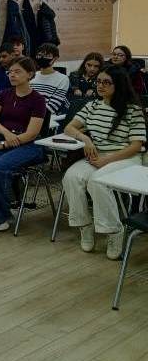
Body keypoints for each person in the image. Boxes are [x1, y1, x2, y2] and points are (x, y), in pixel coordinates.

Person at [61, 64, 147, 259]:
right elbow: (69, 128)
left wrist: (107, 160)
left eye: (106, 82)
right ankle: (85, 226)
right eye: (99, 82)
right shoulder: (92, 105)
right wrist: (85, 138)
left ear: (118, 85)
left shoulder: (132, 109)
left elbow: (135, 146)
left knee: (97, 181)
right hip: (98, 156)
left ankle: (114, 230)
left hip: (126, 158)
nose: (100, 86)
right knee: (71, 177)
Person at [0, 57, 47, 235]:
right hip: (6, 142)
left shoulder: (38, 99)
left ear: (30, 74)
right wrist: (6, 135)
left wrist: (3, 145)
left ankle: (1, 215)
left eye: (17, 71)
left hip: (30, 146)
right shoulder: (5, 94)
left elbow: (32, 133)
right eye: (10, 72)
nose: (12, 75)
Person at [30, 43, 70, 114]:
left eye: (47, 56)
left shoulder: (63, 79)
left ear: (55, 58)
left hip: (49, 116)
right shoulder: (31, 76)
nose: (42, 58)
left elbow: (53, 106)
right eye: (40, 55)